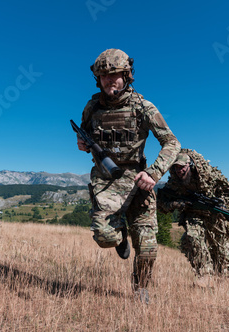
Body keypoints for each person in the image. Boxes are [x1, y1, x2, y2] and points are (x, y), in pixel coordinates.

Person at [76, 48, 180, 301]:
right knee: (104, 237)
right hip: (107, 181)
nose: (110, 81)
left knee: (147, 247)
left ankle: (140, 288)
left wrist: (154, 174)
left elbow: (172, 143)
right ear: (98, 79)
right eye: (104, 77)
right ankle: (119, 235)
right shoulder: (92, 108)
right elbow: (85, 136)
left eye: (116, 76)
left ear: (127, 75)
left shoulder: (143, 107)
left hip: (139, 180)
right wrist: (82, 143)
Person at [157, 149, 229, 288]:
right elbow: (161, 203)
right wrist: (177, 204)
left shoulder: (208, 176)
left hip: (212, 213)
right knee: (192, 238)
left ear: (190, 165)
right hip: (192, 214)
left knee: (220, 245)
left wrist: (221, 203)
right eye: (175, 167)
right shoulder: (174, 183)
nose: (178, 171)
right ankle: (205, 275)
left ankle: (227, 277)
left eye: (181, 167)